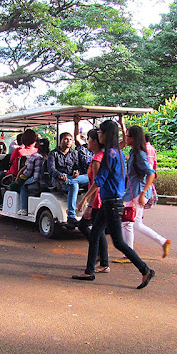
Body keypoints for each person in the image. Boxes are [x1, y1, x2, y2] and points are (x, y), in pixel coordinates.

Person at [72, 120, 155, 289]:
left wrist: (84, 199)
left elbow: (100, 179)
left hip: (111, 203)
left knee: (118, 242)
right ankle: (89, 271)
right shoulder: (116, 152)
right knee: (95, 233)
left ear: (106, 133)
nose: (98, 135)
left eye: (100, 132)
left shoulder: (111, 153)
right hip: (111, 202)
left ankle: (145, 269)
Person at [114, 125, 171, 263]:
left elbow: (151, 173)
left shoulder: (139, 153)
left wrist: (143, 193)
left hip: (137, 191)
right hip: (134, 191)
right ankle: (162, 242)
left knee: (128, 223)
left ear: (133, 138)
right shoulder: (134, 152)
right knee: (135, 223)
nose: (125, 138)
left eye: (127, 136)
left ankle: (128, 254)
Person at [76, 129, 109, 272]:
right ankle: (102, 259)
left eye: (88, 139)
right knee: (97, 231)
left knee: (90, 229)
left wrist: (88, 203)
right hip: (99, 199)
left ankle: (102, 261)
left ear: (95, 141)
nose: (87, 141)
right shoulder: (101, 156)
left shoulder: (97, 159)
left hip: (97, 200)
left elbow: (97, 184)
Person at [47, 132, 89, 225]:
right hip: (58, 179)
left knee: (90, 178)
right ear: (60, 141)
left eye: (70, 139)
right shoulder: (53, 154)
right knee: (73, 185)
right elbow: (51, 169)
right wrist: (60, 174)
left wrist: (76, 172)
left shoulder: (74, 153)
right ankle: (71, 216)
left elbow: (77, 167)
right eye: (66, 139)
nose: (68, 141)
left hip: (71, 178)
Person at [0, 130, 37, 209]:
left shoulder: (19, 151)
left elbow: (11, 160)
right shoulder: (37, 151)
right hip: (29, 176)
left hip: (12, 177)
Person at [17, 138, 50, 216]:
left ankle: (23, 209)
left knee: (23, 186)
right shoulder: (50, 156)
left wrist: (20, 177)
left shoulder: (35, 156)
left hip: (37, 182)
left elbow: (28, 173)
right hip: (49, 183)